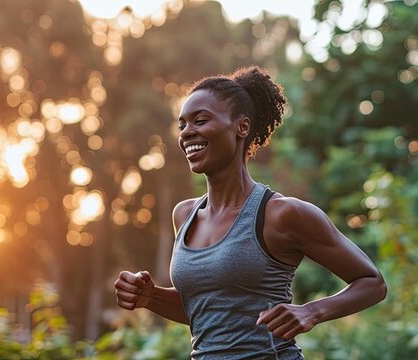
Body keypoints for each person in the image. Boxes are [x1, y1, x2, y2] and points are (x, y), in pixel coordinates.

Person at [114, 66, 387, 359]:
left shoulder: (281, 214)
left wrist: (312, 311)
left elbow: (372, 283)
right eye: (182, 125)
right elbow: (209, 311)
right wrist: (151, 296)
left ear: (242, 127)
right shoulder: (185, 215)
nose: (187, 132)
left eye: (201, 120)